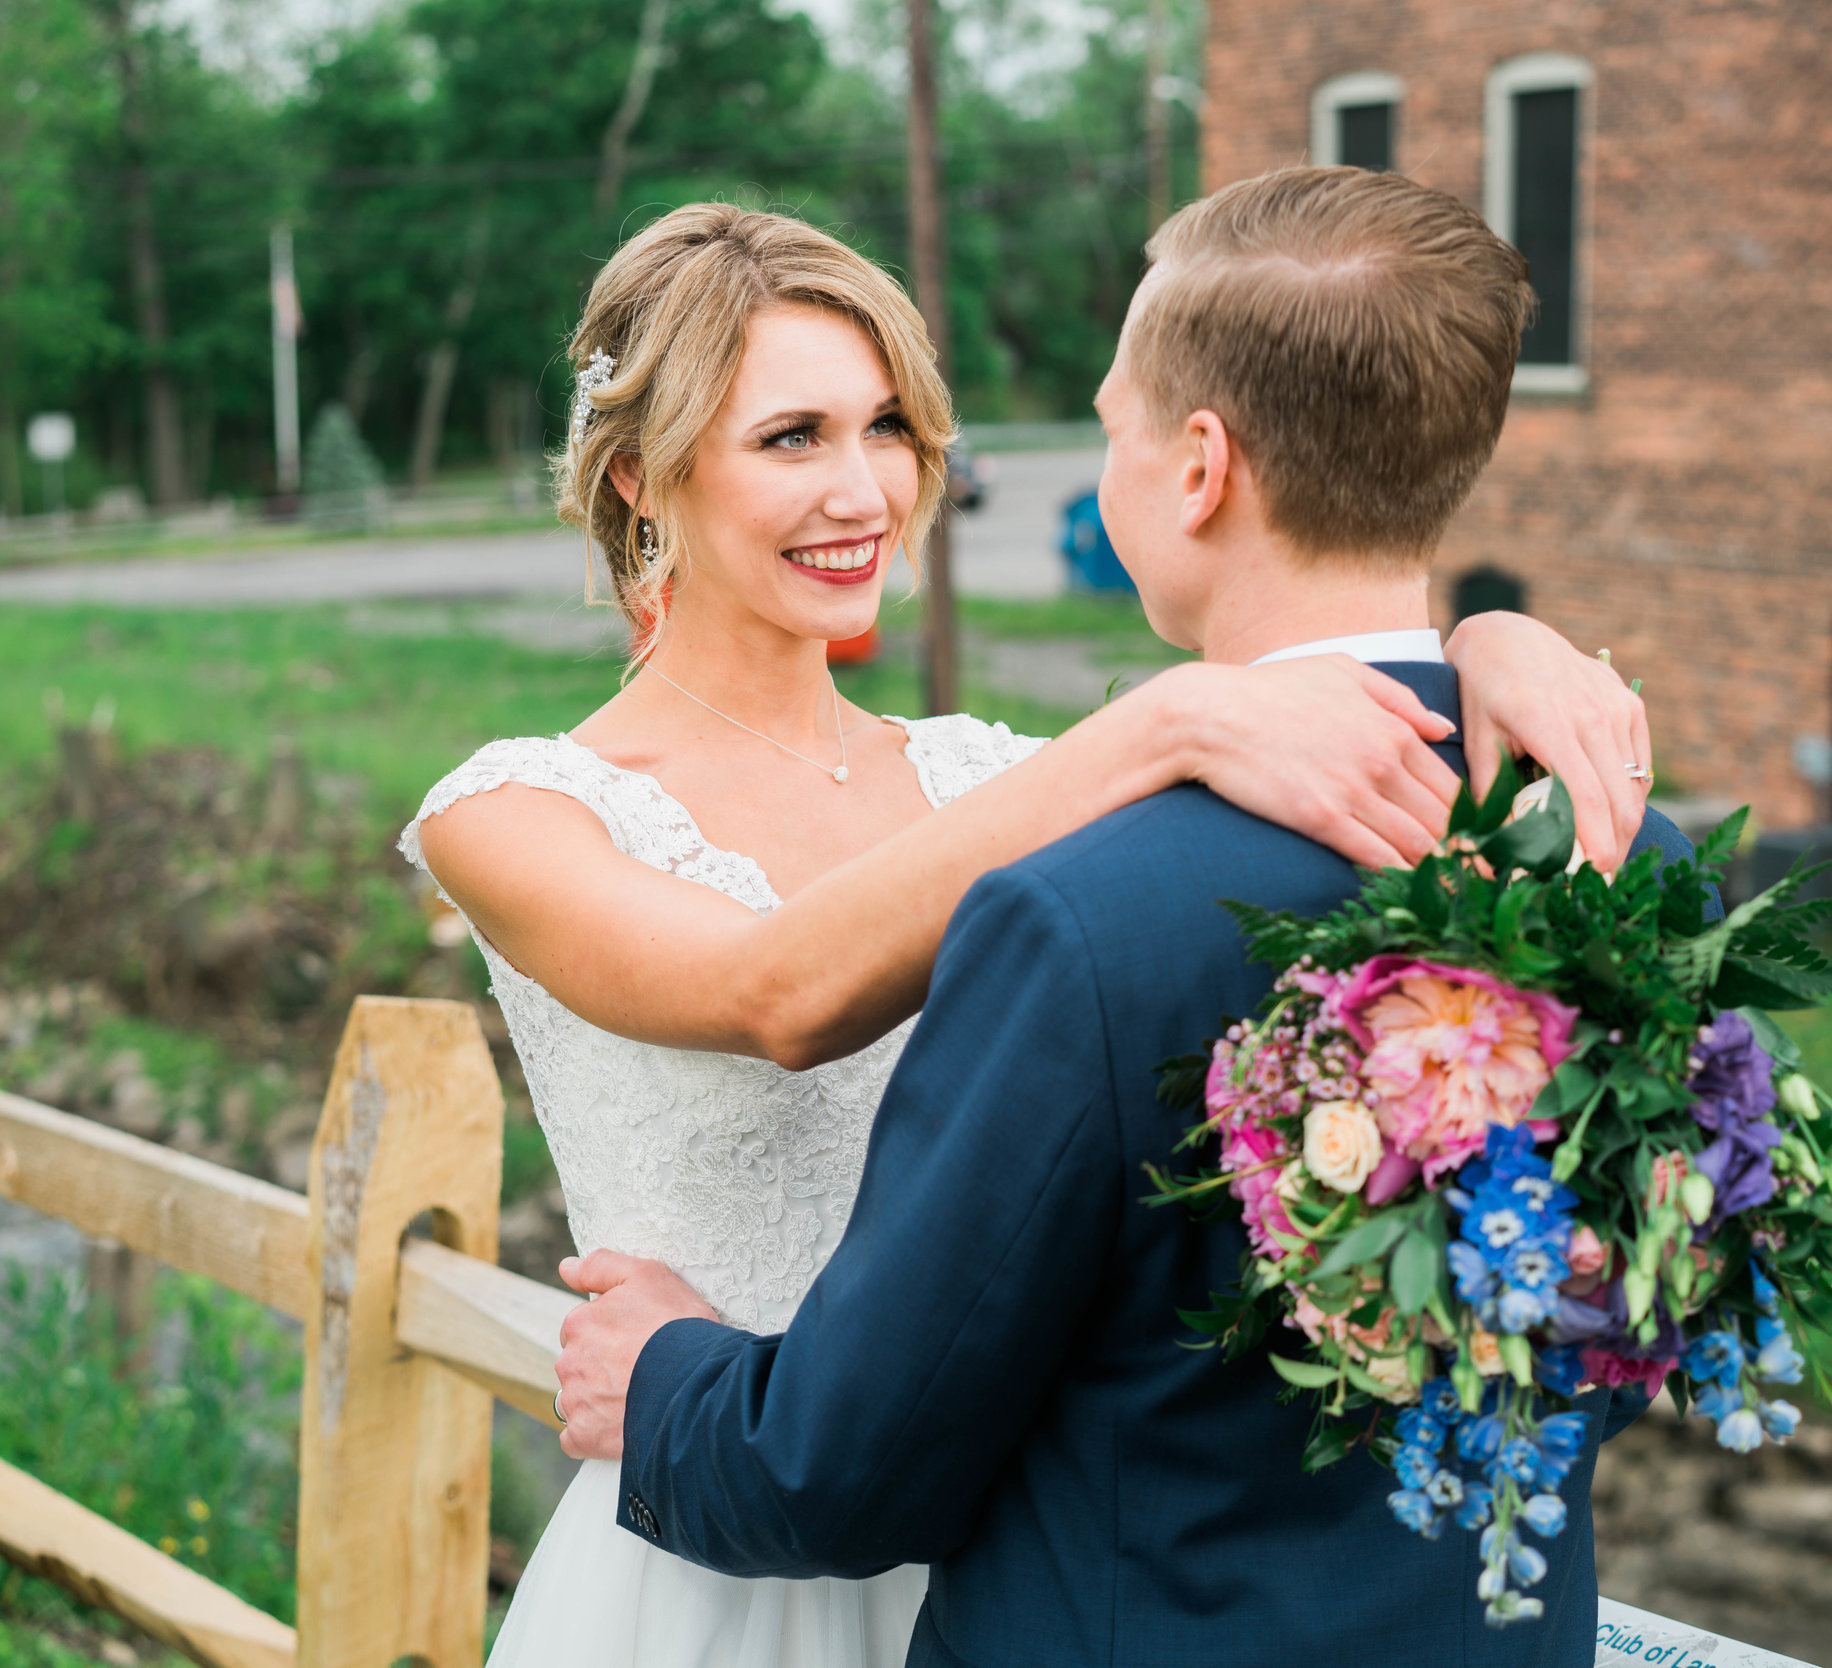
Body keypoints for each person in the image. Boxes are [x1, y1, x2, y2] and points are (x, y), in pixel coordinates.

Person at [405, 199, 1654, 1668]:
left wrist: (1486, 648)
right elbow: (772, 987)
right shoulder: (516, 811)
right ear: (640, 479)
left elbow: (1299, 677)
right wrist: (1167, 714)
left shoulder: (1000, 778)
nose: (866, 486)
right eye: (793, 437)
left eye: (891, 428)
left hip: (1015, 1535)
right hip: (711, 1546)